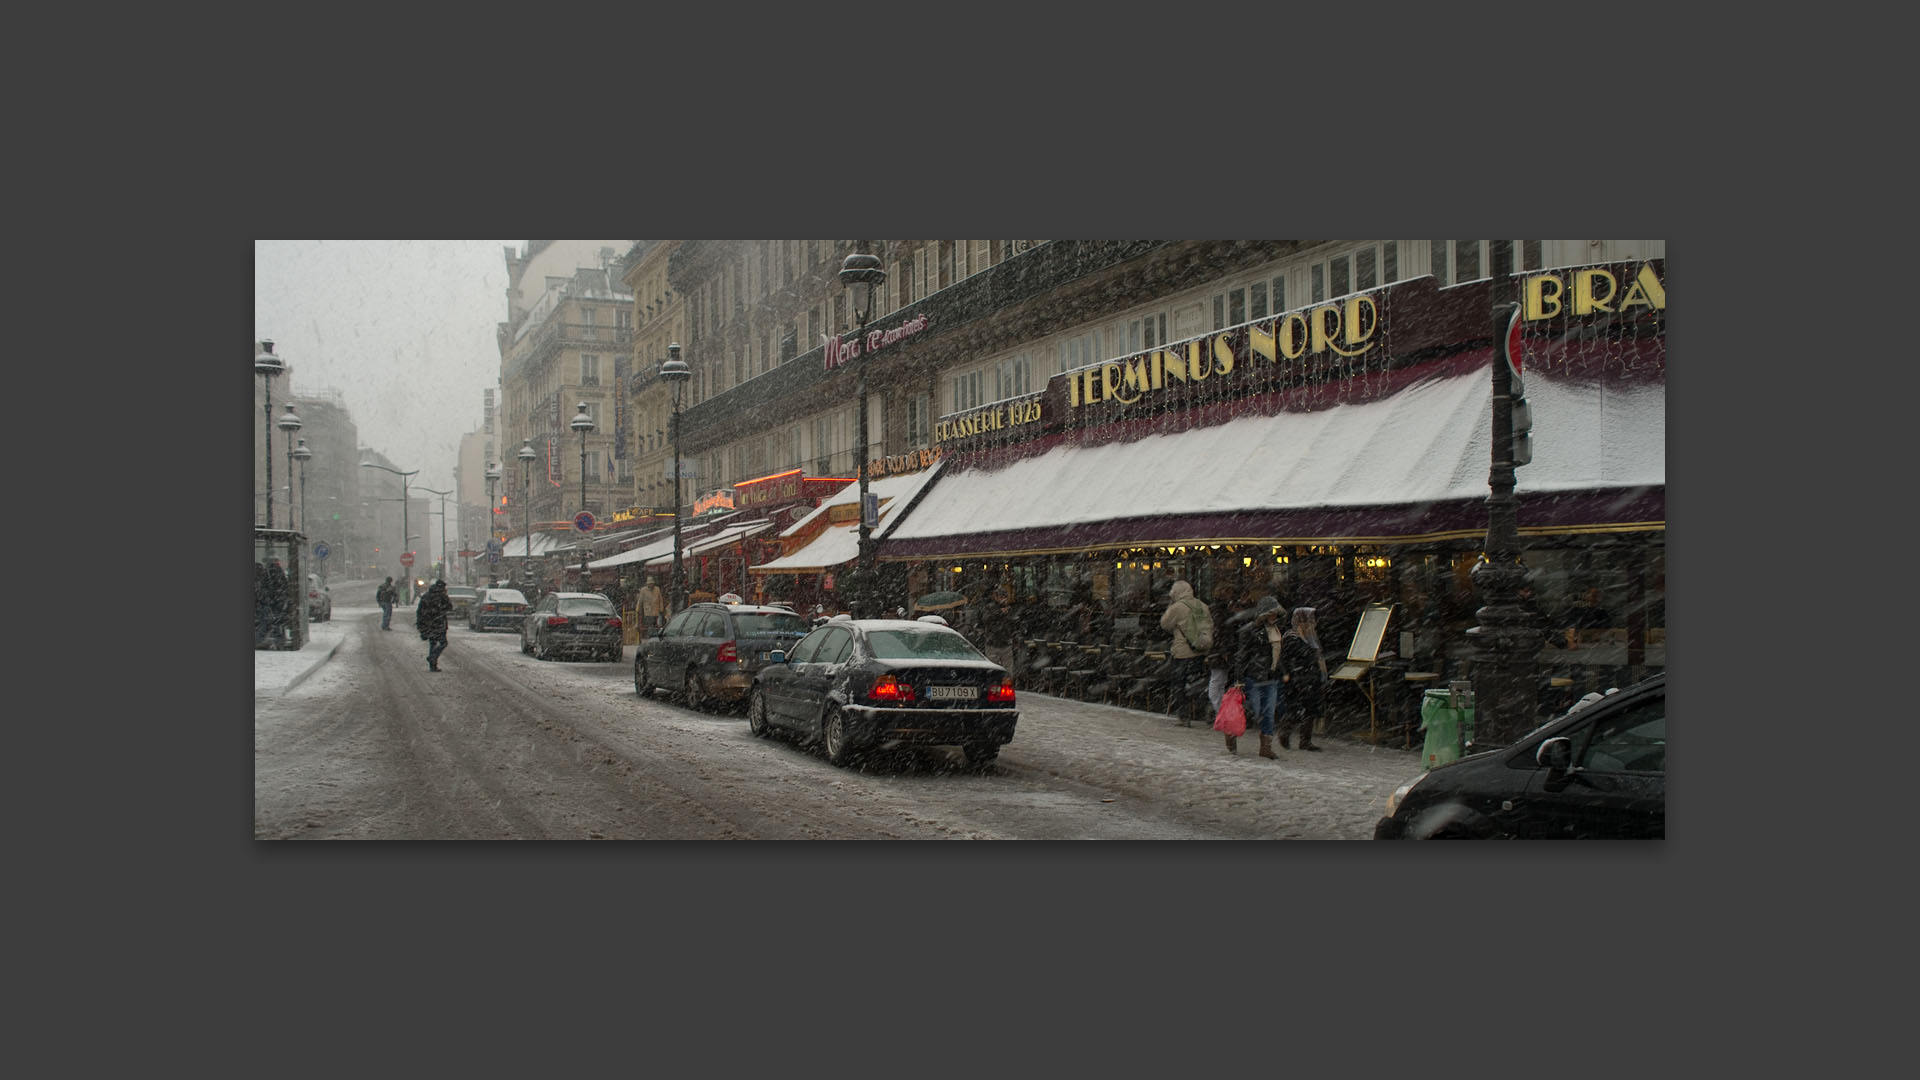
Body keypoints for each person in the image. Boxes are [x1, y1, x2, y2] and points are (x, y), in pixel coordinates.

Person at [1230, 595, 1287, 758]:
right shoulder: (1250, 631)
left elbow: (1277, 654)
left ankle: (1266, 746)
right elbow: (1242, 655)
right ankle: (1232, 731)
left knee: (1268, 712)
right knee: (1253, 710)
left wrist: (1281, 671)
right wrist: (1239, 678)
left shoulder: (1276, 629)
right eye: (1271, 613)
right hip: (1254, 676)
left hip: (1270, 676)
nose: (1274, 617)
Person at [1159, 579, 1213, 725]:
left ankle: (1184, 716)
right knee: (1197, 683)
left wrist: (1171, 607)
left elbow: (1165, 624)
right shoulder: (1202, 606)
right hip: (1201, 650)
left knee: (1179, 684)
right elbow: (1210, 626)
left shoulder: (1177, 607)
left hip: (1183, 652)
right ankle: (1203, 711)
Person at [1278, 606, 1328, 751]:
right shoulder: (1292, 637)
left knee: (1311, 710)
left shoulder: (1310, 637)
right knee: (1296, 709)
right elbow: (1285, 659)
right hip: (1298, 678)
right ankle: (1285, 732)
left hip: (1311, 677)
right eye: (1309, 621)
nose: (1312, 624)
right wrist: (1288, 674)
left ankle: (1305, 740)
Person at [416, 579, 452, 671]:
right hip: (439, 623)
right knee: (443, 643)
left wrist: (421, 624)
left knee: (433, 643)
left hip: (429, 623)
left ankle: (433, 665)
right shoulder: (442, 596)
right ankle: (433, 657)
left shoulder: (426, 596)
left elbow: (420, 611)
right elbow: (449, 607)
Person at [262, 559, 291, 649]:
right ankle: (279, 640)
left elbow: (264, 589)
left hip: (270, 603)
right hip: (279, 603)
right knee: (278, 623)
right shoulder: (280, 577)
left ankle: (270, 639)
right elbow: (286, 589)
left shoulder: (266, 576)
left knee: (270, 622)